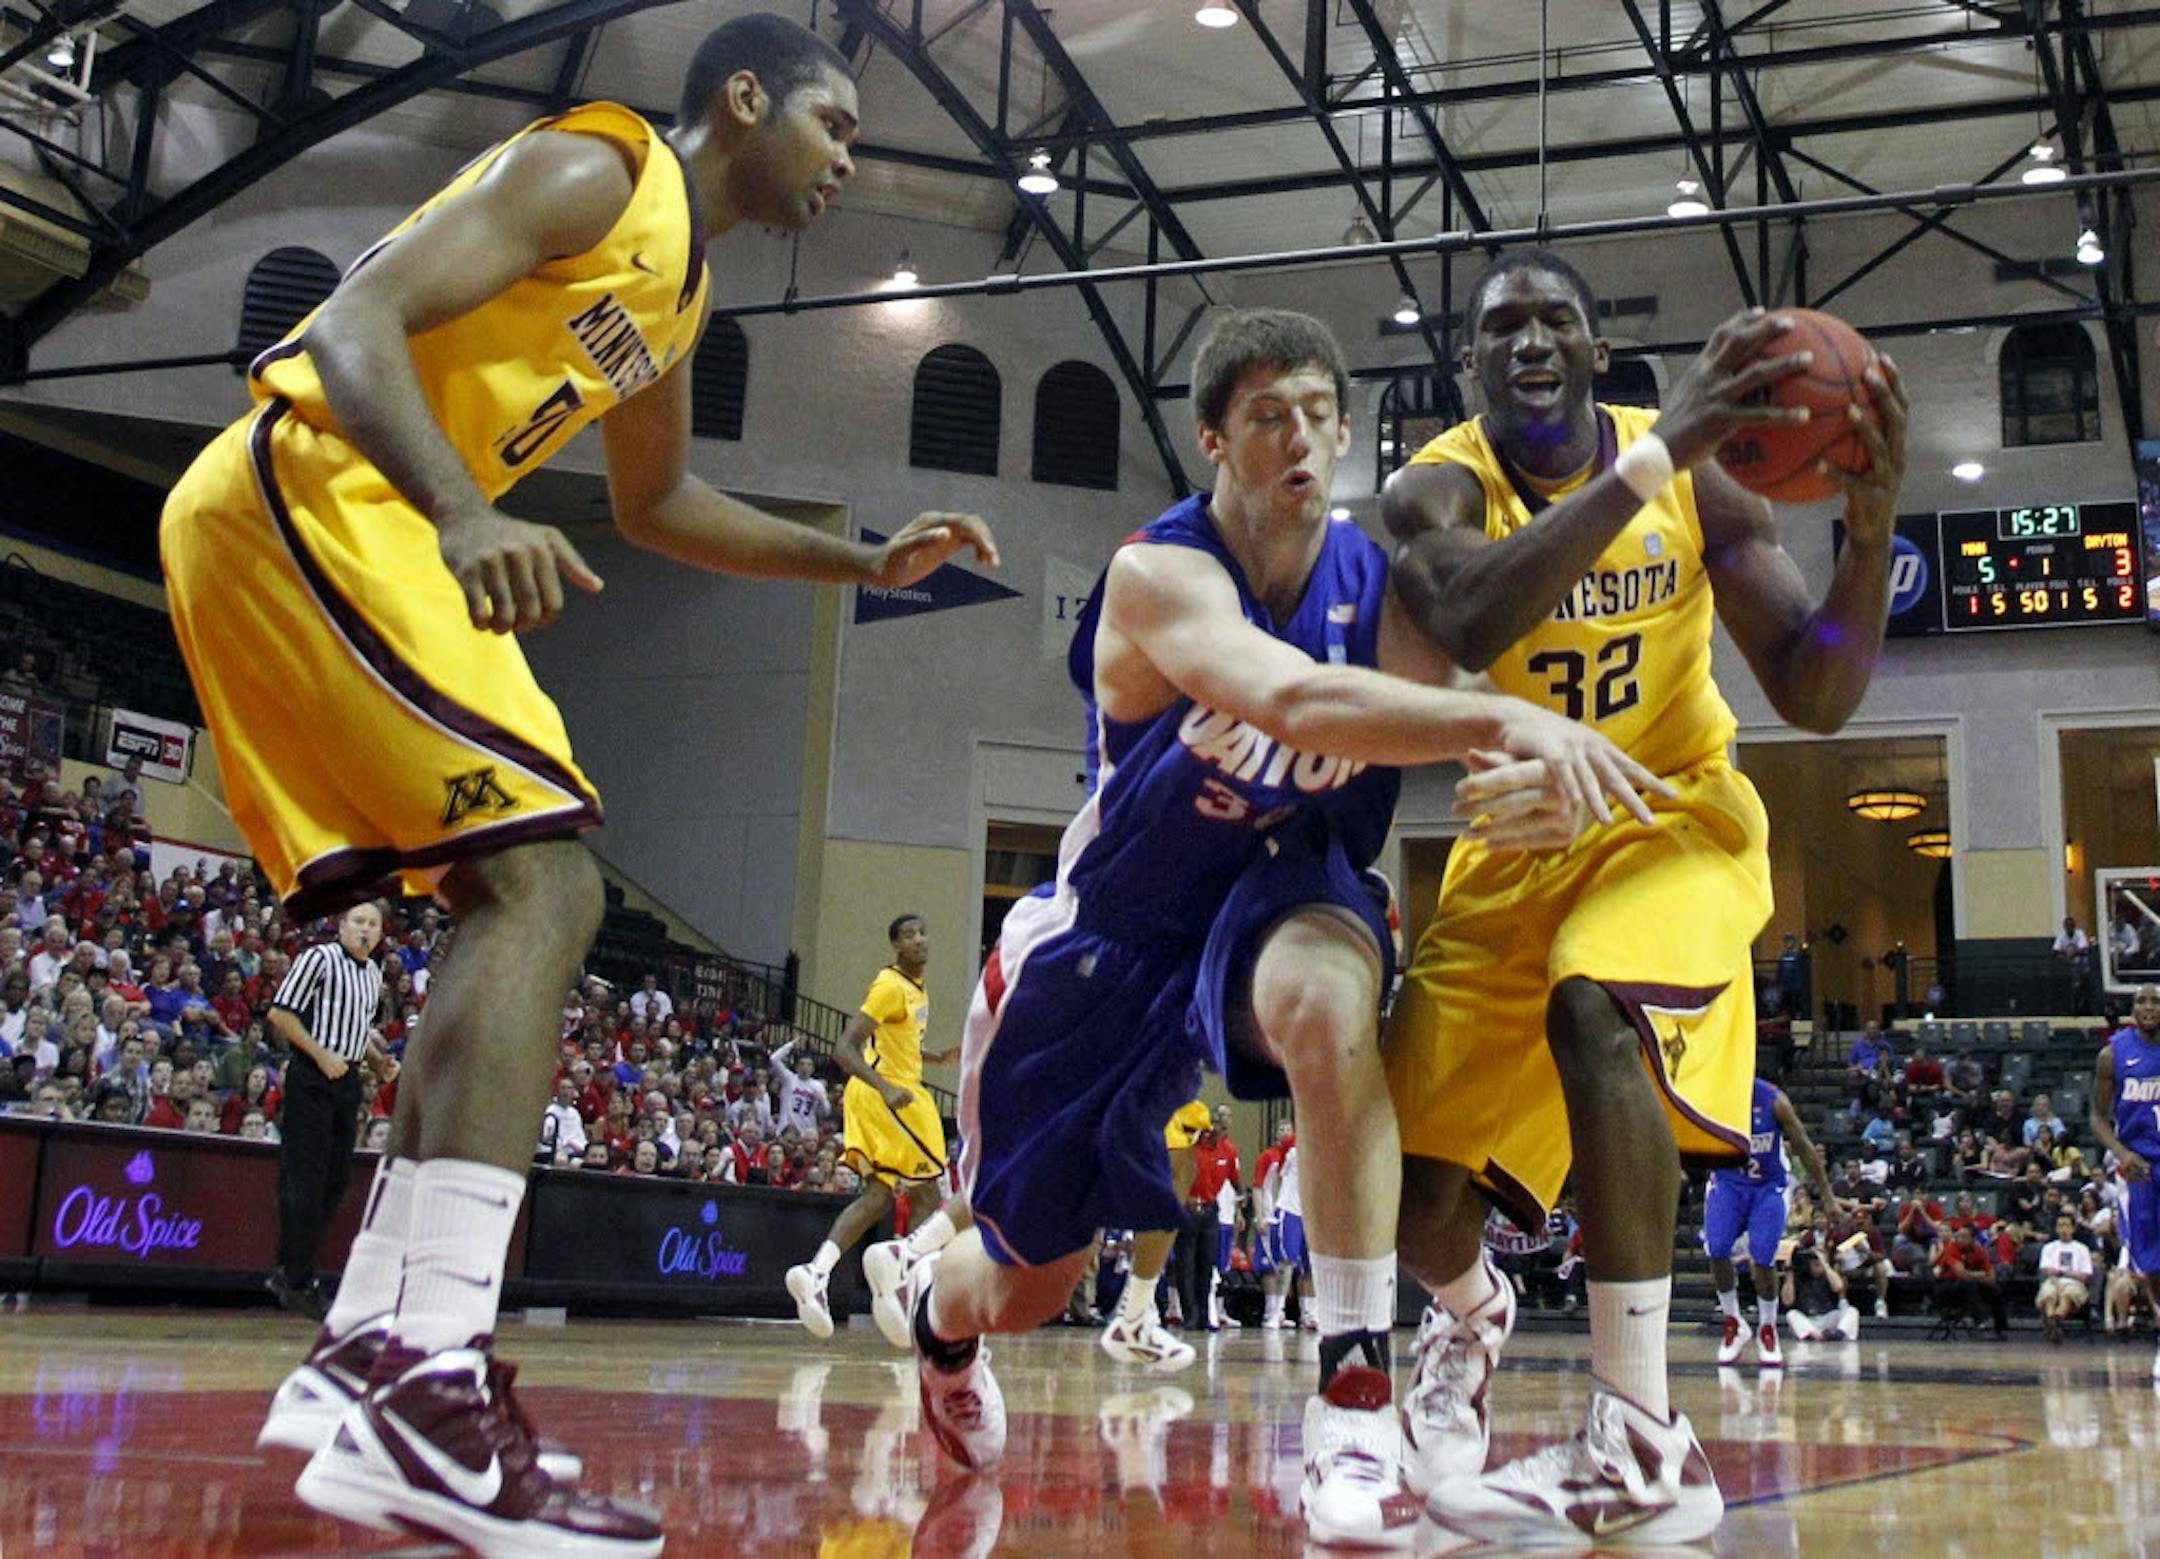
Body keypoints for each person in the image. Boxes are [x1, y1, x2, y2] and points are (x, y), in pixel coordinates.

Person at [173, 15, 997, 1553]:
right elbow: (353, 327)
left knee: (522, 884)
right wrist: (465, 512)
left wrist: (861, 556)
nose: (846, 160)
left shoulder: (675, 285)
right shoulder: (597, 165)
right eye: (835, 123)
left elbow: (661, 500)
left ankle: (381, 1354)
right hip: (318, 486)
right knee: (546, 883)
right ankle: (415, 1373)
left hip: (364, 520)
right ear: (742, 97)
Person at [889, 307, 1660, 1551]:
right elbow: (1296, 694)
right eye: (1265, 417)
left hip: (1285, 885)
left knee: (1324, 996)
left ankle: (1355, 1398)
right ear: (1213, 440)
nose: (1296, 436)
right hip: (1114, 936)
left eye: (1315, 413)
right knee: (1026, 1282)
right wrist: (1506, 729)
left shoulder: (1377, 580)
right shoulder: (1159, 574)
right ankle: (940, 1318)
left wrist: (1529, 773)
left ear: (1344, 431)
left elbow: (1445, 703)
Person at [1381, 250, 1909, 1544]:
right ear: (1471, 364)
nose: (1532, 339)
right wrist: (1657, 453)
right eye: (1501, 325)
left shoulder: (1707, 489)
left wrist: (1876, 523)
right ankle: (1469, 1316)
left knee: (1599, 1004)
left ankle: (1639, 1429)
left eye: (1557, 316)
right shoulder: (1435, 483)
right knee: (1411, 1210)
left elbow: (1819, 691)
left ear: (1594, 347)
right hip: (1513, 842)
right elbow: (1466, 610)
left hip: (1667, 817)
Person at [785, 915, 960, 1346]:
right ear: (895, 947)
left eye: (923, 931)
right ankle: (902, 1287)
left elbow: (898, 1041)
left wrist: (934, 1058)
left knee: (880, 1196)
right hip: (888, 1094)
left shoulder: (914, 988)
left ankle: (815, 1272)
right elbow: (844, 1048)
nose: (919, 939)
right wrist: (885, 1088)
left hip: (891, 1089)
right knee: (931, 1194)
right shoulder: (889, 986)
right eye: (908, 935)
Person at [262, 902, 390, 1318]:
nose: (365, 930)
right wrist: (321, 1055)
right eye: (358, 922)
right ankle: (297, 1279)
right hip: (313, 1076)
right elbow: (281, 1014)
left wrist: (377, 1061)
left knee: (335, 1180)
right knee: (307, 1176)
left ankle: (290, 1268)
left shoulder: (373, 972)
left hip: (347, 1079)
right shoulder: (319, 957)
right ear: (341, 925)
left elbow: (357, 1029)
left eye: (372, 924)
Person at [1704, 1078, 1840, 1368]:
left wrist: (1827, 1197)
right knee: (1716, 1250)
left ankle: (1767, 1328)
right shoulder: (1714, 1094)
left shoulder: (1773, 1100)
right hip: (1727, 1183)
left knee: (1763, 1259)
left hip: (1768, 1187)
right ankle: (1734, 1323)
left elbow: (1804, 1146)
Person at [2088, 985, 2160, 1377]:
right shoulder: (2112, 1054)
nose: (2148, 1008)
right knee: (2151, 1262)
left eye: (2155, 1002)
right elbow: (2097, 1119)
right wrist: (2122, 1153)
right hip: (2140, 1166)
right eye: (2141, 1002)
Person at [1932, 1222, 2007, 1336]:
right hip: (1946, 1287)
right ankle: (1980, 1321)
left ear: (1972, 1239)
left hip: (1970, 1287)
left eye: (1964, 1237)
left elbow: (1992, 1277)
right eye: (1958, 1236)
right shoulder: (1952, 1248)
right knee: (1968, 1284)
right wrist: (1980, 1274)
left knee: (1994, 1290)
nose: (1959, 1239)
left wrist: (1975, 1275)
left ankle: (2000, 1327)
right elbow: (1961, 1274)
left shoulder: (1979, 1251)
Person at [2036, 1210, 2095, 1343]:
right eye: (2060, 1225)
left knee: (2068, 1294)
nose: (2064, 1229)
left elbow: (2085, 1275)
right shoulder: (2049, 1248)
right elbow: (2046, 1270)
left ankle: (2056, 1321)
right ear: (2056, 1228)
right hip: (2052, 1281)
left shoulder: (2082, 1249)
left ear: (2073, 1228)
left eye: (2067, 1225)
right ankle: (2054, 1326)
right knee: (2049, 1293)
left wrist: (2063, 1273)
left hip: (2075, 1282)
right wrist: (2057, 1280)